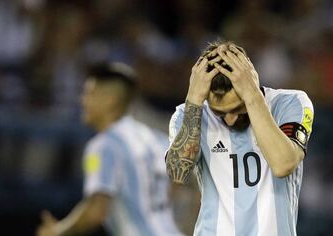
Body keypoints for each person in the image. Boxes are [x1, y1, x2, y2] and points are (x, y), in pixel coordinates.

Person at [166, 41, 314, 236]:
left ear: (251, 83)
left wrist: (252, 96)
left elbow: (283, 164)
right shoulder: (189, 115)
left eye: (237, 108)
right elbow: (178, 174)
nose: (230, 118)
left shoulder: (289, 104)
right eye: (220, 113)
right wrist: (193, 100)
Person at [37, 63, 182, 236]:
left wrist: (59, 231)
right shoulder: (157, 139)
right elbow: (176, 185)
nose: (82, 100)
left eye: (90, 93)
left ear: (110, 100)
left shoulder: (103, 145)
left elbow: (96, 211)